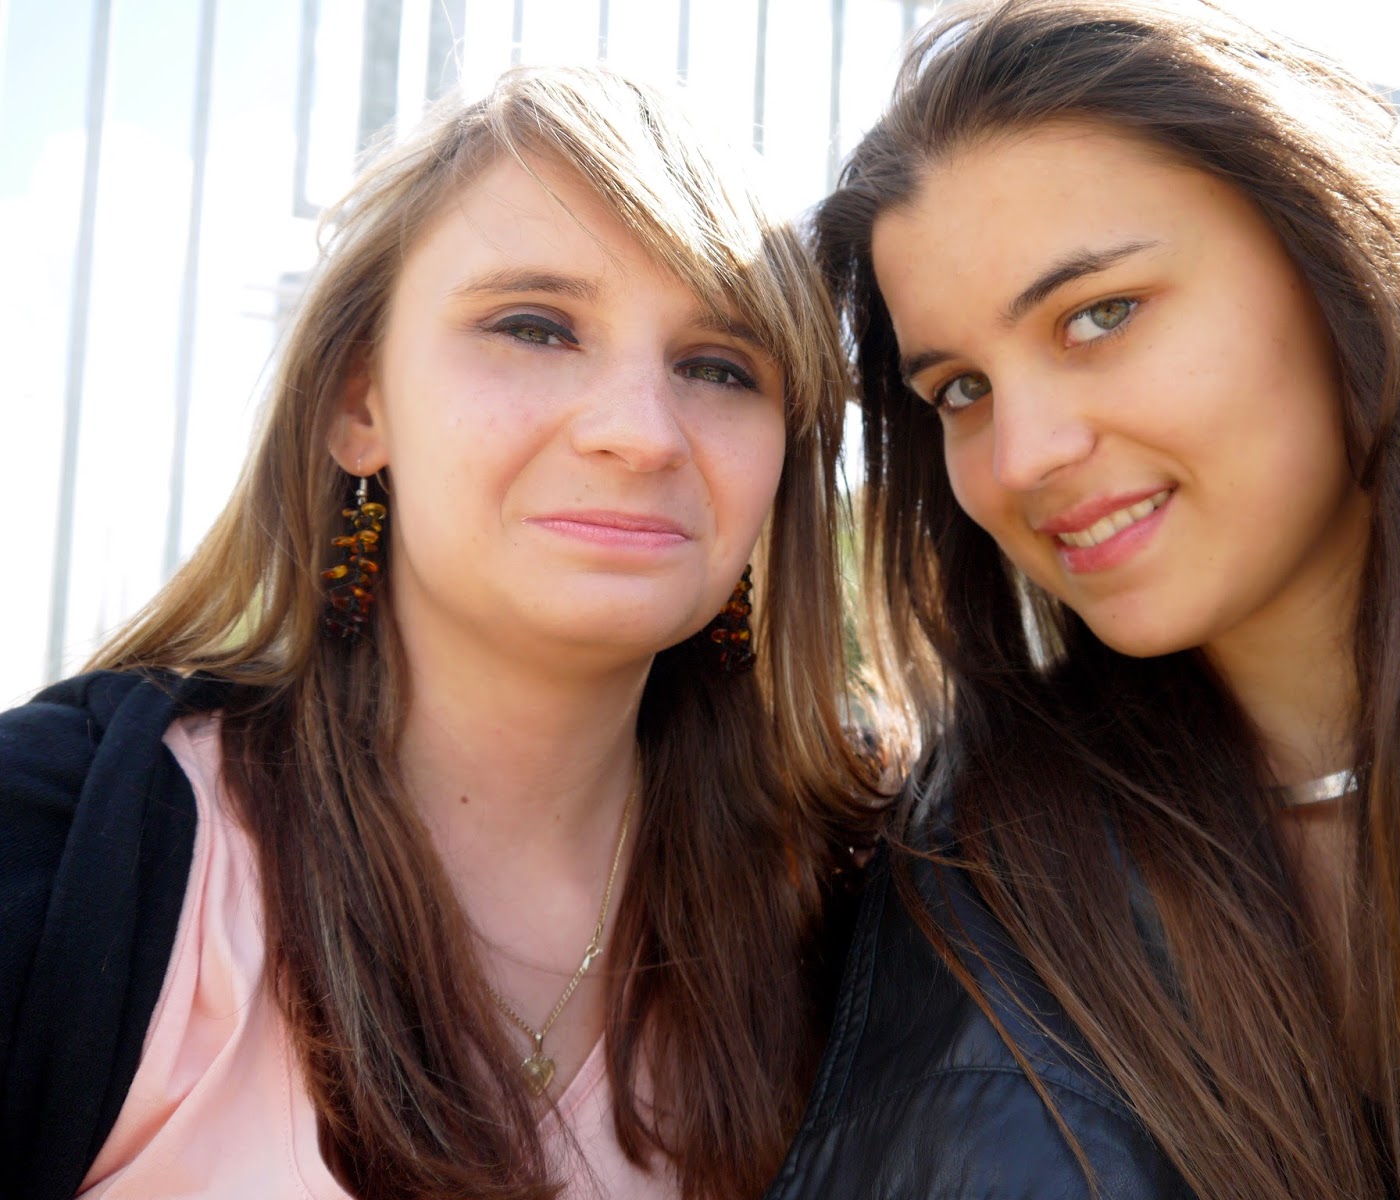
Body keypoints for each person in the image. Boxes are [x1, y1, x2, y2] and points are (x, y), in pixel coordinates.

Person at [765, 2, 1400, 1198]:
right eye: (960, 390)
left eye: (1099, 315)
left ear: (1334, 266)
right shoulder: (970, 874)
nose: (1023, 456)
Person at [0, 64, 876, 1200]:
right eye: (534, 327)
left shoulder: (865, 914)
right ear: (358, 404)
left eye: (718, 367)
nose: (641, 432)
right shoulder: (66, 846)